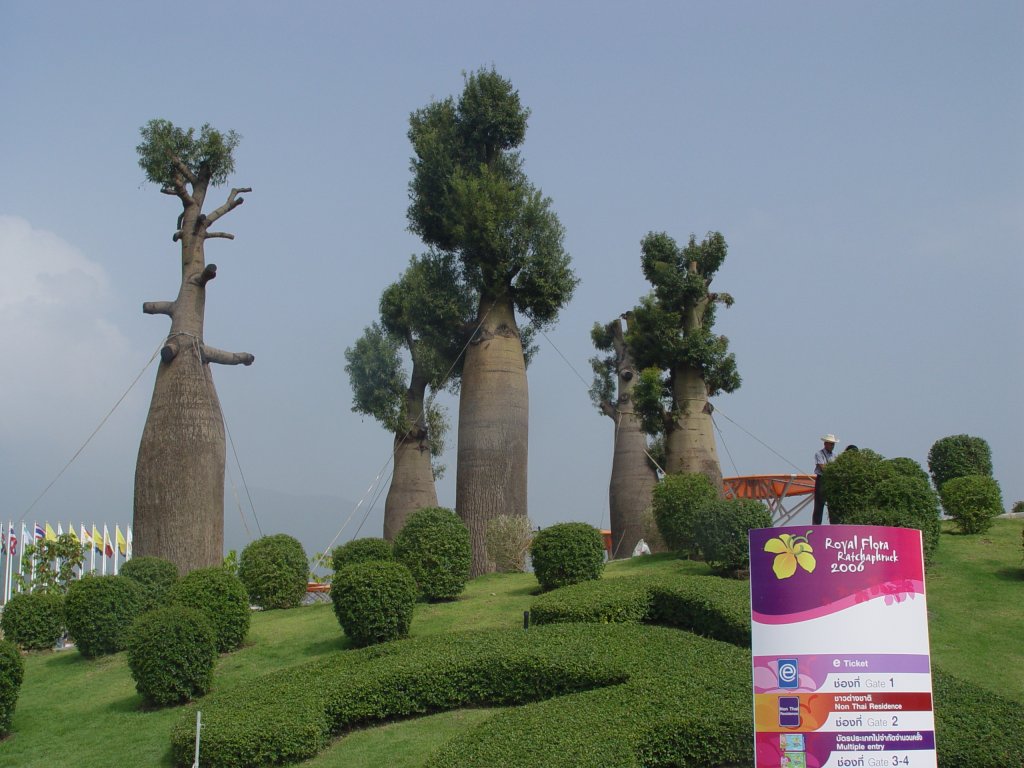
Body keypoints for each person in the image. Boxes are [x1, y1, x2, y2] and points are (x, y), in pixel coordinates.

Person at [813, 434, 838, 525]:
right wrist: (834, 470)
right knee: (819, 503)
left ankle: (833, 524)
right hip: (822, 479)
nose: (832, 446)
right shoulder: (819, 454)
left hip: (831, 480)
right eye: (831, 444)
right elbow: (823, 467)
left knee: (833, 504)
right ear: (825, 444)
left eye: (833, 444)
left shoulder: (835, 455)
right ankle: (816, 525)